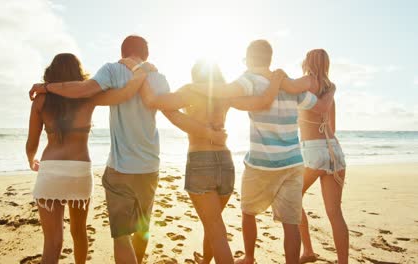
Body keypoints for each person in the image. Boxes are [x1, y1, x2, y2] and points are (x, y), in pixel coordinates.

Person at [29, 36, 226, 264]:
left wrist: (45, 88)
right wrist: (209, 133)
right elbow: (172, 115)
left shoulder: (110, 71)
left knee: (118, 238)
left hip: (118, 169)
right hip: (149, 166)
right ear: (146, 55)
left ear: (122, 53)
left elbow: (86, 89)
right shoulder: (157, 77)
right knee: (140, 230)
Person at [120, 57, 286, 263]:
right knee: (213, 223)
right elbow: (262, 102)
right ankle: (206, 260)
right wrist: (277, 80)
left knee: (216, 230)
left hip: (201, 161)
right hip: (226, 162)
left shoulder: (191, 91)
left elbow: (152, 101)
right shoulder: (226, 93)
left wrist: (141, 74)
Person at [188, 40, 332, 264]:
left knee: (248, 212)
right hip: (293, 162)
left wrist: (193, 88)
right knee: (291, 223)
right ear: (270, 58)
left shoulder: (250, 80)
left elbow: (223, 93)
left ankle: (249, 257)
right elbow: (321, 107)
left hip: (261, 163)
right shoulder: (289, 85)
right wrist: (331, 90)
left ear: (249, 58)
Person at [26, 53, 147, 263]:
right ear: (78, 74)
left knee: (52, 242)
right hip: (79, 171)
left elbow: (32, 142)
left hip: (50, 172)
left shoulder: (41, 100)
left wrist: (31, 159)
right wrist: (138, 71)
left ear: (51, 72)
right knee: (79, 232)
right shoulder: (89, 96)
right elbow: (125, 94)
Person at [282, 49, 348, 264]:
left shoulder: (307, 82)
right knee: (335, 212)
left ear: (307, 61)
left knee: (291, 197)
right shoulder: (329, 90)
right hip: (334, 151)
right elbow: (333, 128)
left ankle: (308, 250)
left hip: (313, 151)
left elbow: (287, 87)